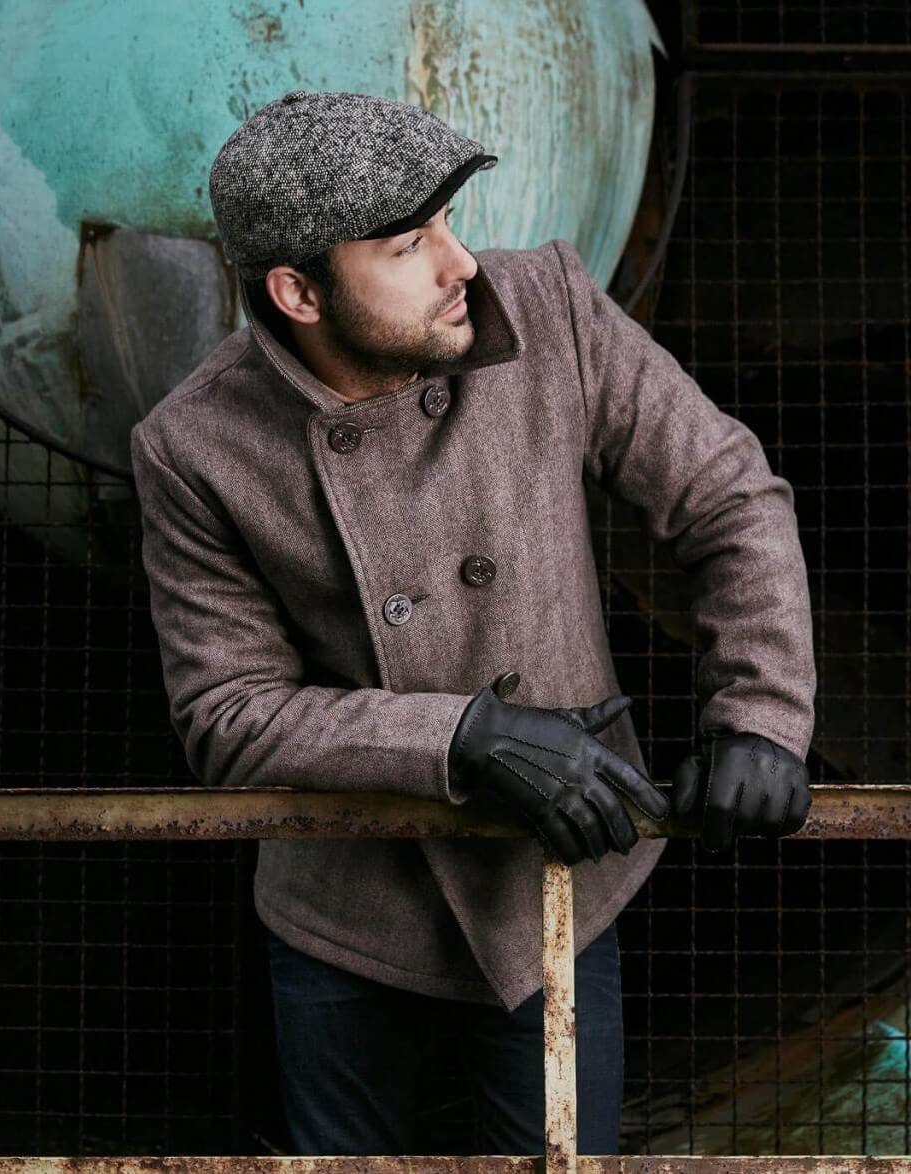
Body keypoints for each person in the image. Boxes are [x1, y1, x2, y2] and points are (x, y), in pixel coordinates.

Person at [129, 89, 815, 1157]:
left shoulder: (550, 309)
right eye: (411, 244)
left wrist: (763, 716)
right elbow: (225, 714)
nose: (461, 265)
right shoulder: (193, 446)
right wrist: (460, 736)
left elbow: (730, 499)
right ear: (297, 292)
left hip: (551, 882)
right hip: (343, 911)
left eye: (451, 222)